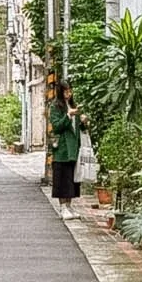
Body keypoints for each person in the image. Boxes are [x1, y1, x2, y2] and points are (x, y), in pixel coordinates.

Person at [48, 81, 87, 216]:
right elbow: (57, 126)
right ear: (60, 92)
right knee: (62, 177)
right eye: (66, 91)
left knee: (72, 178)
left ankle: (70, 206)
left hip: (74, 148)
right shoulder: (55, 107)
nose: (68, 94)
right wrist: (68, 115)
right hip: (62, 148)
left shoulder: (73, 105)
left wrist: (83, 122)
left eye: (70, 91)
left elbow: (79, 129)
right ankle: (62, 206)